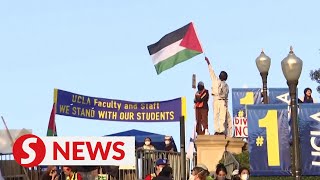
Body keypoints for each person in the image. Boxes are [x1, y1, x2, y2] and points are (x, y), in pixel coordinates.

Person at [205, 57, 232, 136]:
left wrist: (226, 104)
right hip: (215, 99)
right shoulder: (215, 80)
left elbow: (226, 96)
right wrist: (208, 63)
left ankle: (222, 130)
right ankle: (217, 130)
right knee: (216, 115)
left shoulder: (226, 85)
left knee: (222, 116)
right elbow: (211, 72)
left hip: (222, 100)